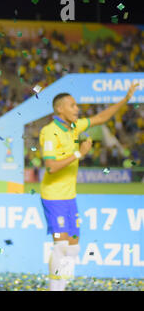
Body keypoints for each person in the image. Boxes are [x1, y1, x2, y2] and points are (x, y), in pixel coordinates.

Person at [39, 82, 139, 291]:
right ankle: (54, 288)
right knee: (62, 244)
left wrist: (125, 99)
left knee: (73, 249)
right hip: (53, 197)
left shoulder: (74, 127)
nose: (77, 109)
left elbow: (101, 117)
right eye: (73, 105)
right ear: (60, 109)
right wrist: (78, 154)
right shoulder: (49, 132)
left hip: (69, 197)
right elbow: (50, 167)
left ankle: (62, 285)